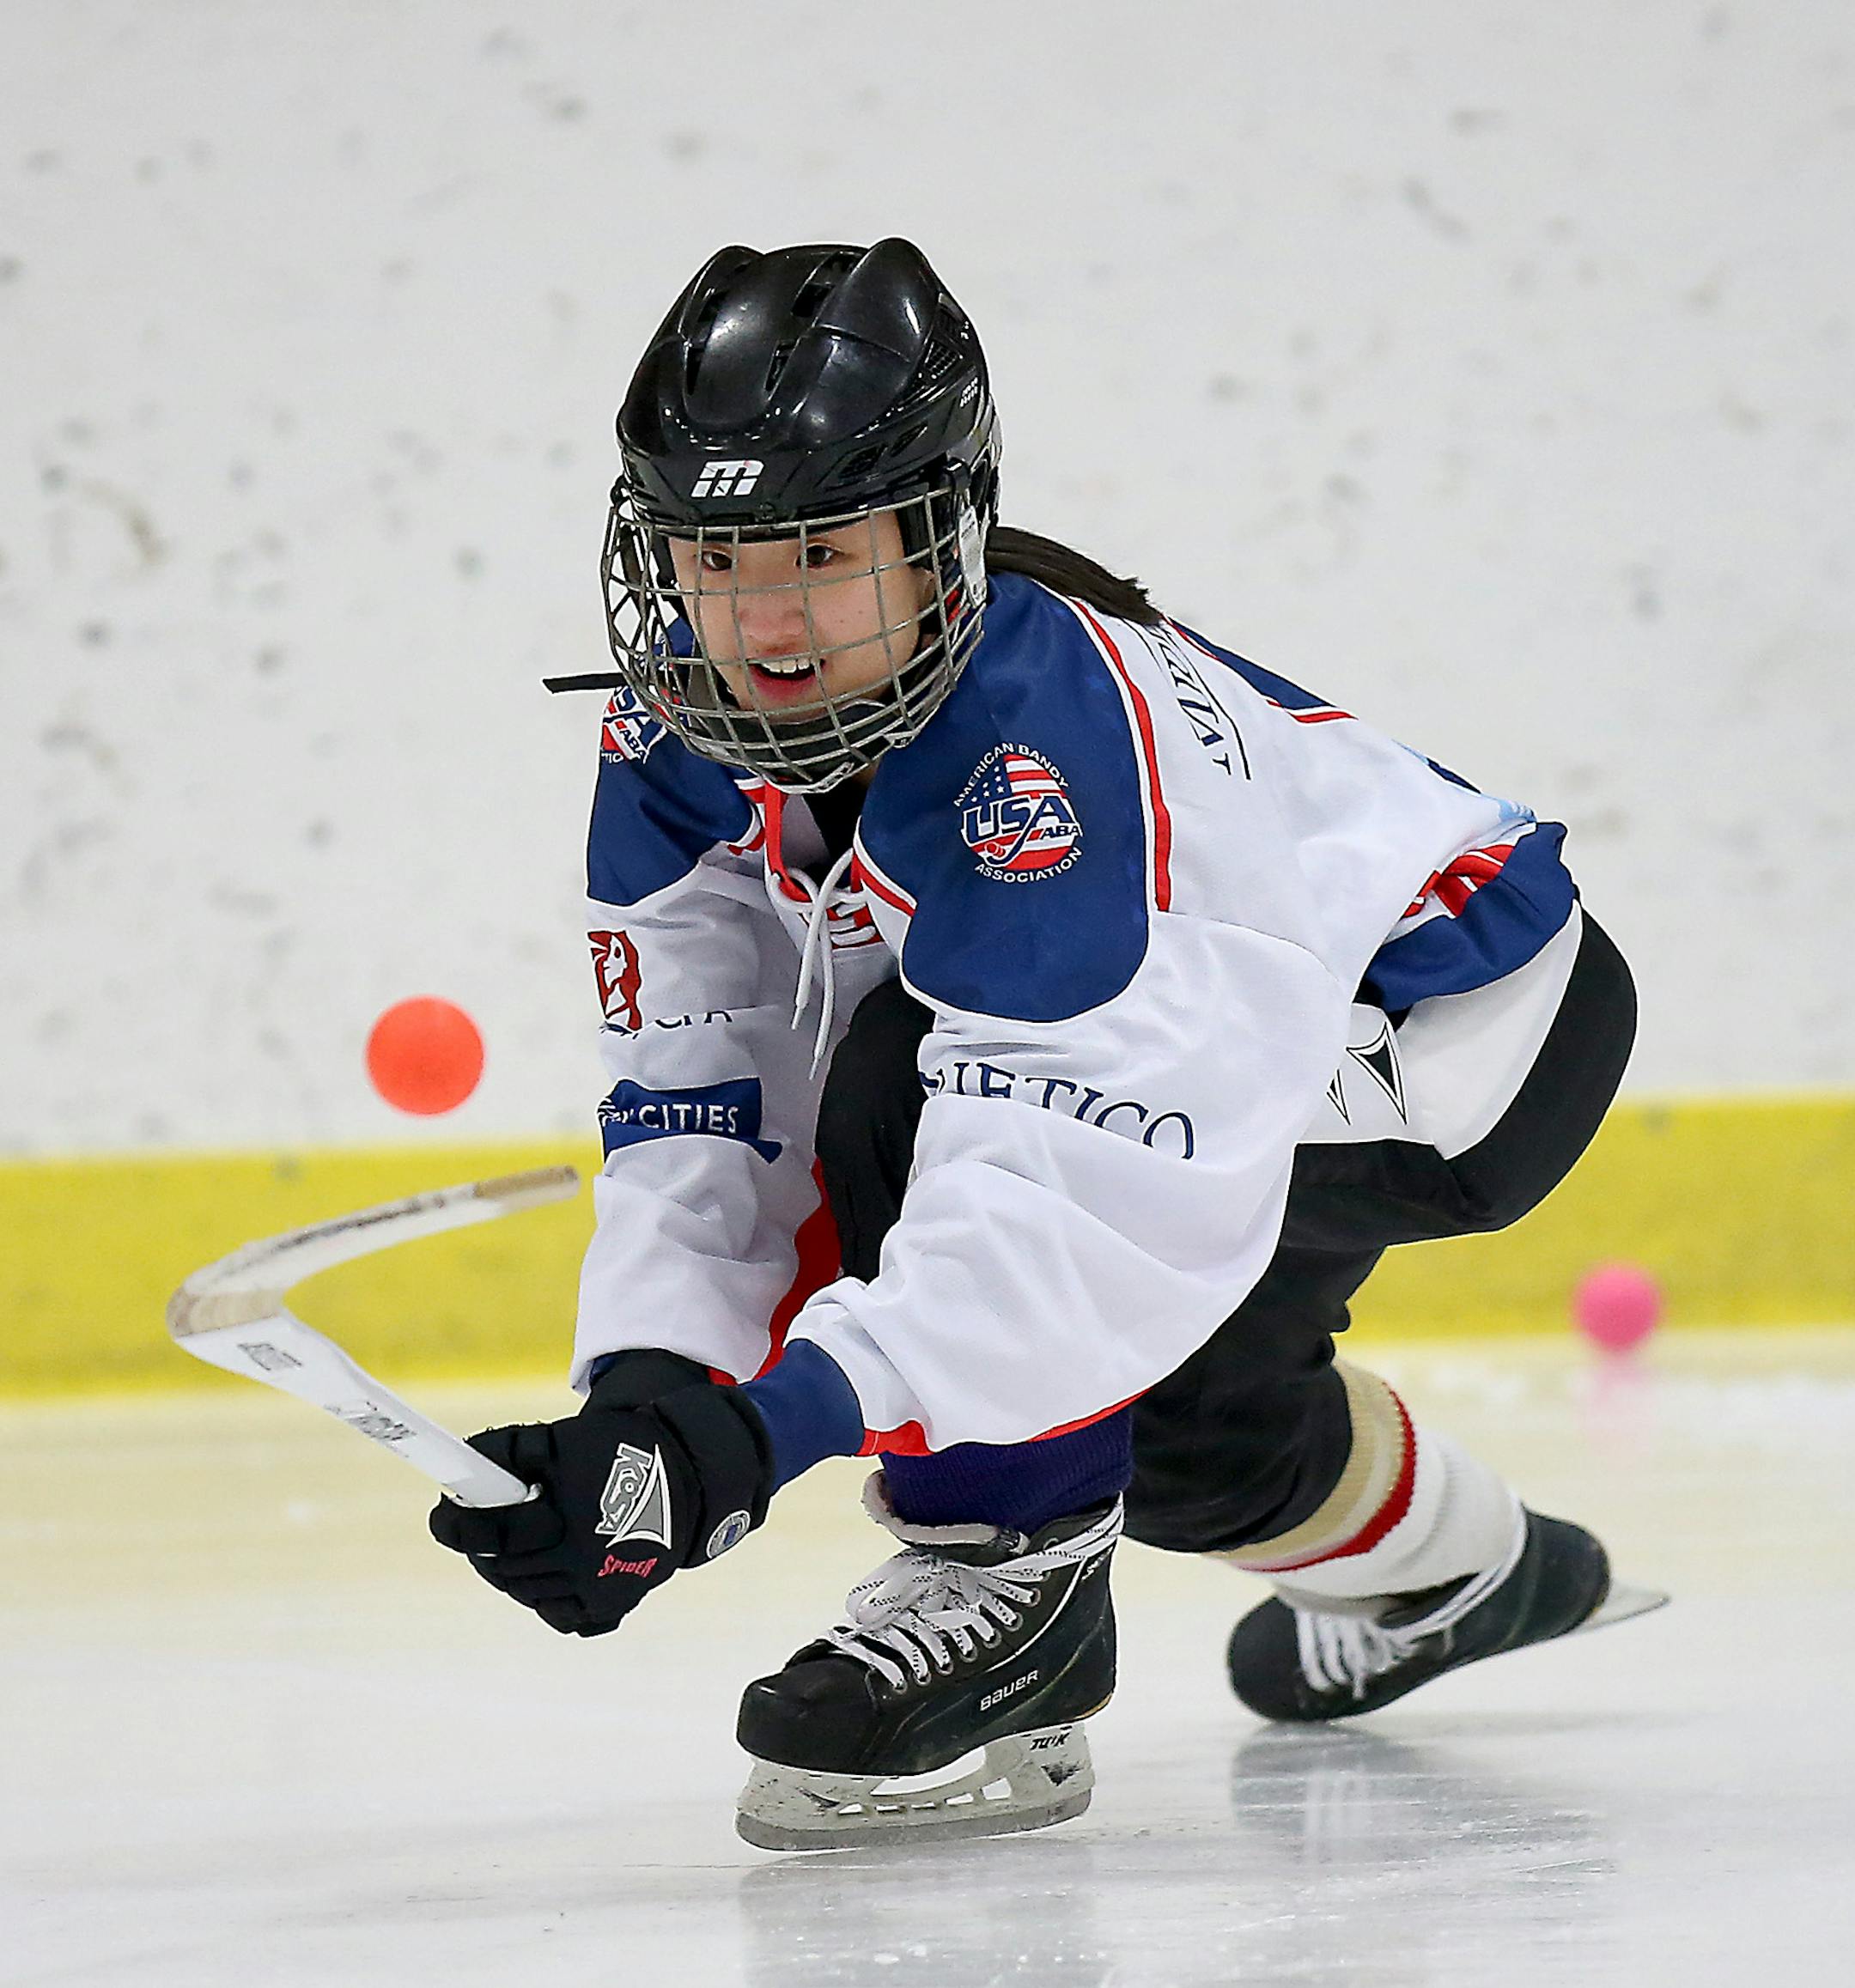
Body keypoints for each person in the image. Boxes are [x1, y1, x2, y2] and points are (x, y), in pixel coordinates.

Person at [429, 238, 1647, 1850]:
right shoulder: (674, 731)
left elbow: (1062, 1202)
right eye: (715, 561)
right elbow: (708, 1098)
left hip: (1462, 1043)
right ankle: (1480, 1575)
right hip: (1236, 1056)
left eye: (820, 553)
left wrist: (759, 1433)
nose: (762, 619)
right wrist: (654, 1400)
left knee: (915, 1106)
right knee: (1203, 1453)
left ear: (941, 544)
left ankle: (1006, 1582)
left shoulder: (1049, 762)